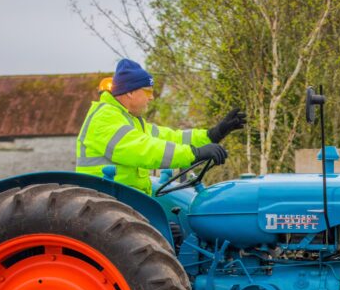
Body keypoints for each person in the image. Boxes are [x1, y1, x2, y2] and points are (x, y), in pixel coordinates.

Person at [76, 58, 246, 194]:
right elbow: (145, 150)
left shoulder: (130, 120)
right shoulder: (105, 118)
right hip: (107, 200)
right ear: (130, 92)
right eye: (148, 91)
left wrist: (213, 134)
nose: (152, 98)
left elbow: (170, 137)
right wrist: (195, 154)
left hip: (124, 197)